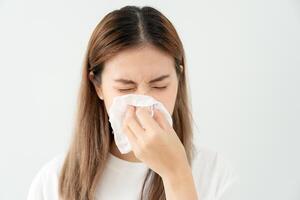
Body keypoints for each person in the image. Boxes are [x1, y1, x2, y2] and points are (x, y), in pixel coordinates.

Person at [27, 5, 238, 200]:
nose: (143, 102)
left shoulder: (214, 173)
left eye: (159, 85)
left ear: (178, 79)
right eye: (125, 88)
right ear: (98, 86)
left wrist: (176, 173)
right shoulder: (54, 182)